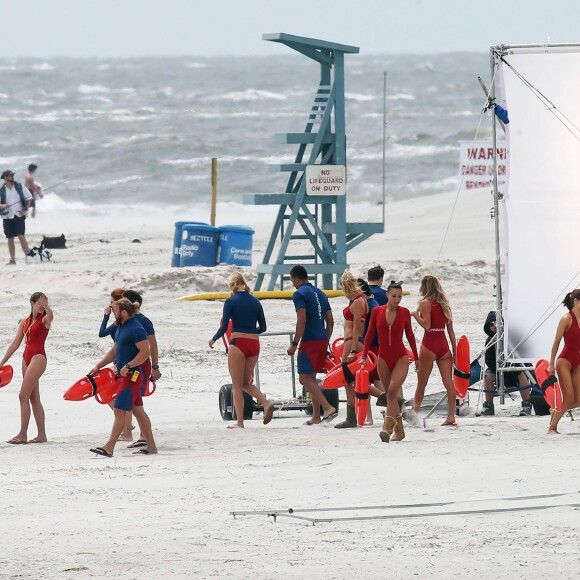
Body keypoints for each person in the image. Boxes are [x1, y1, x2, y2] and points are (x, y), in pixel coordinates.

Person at [89, 298, 157, 456]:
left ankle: (109, 447)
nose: (113, 314)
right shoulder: (121, 327)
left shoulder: (136, 328)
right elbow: (114, 351)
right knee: (138, 411)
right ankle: (151, 447)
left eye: (115, 311)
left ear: (124, 313)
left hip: (132, 377)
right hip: (125, 376)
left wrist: (128, 366)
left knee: (119, 410)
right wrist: (99, 366)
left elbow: (145, 352)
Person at [209, 272, 274, 429]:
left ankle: (240, 422)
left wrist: (214, 339)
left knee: (237, 384)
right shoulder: (256, 302)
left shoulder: (231, 301)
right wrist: (251, 333)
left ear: (232, 285)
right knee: (245, 382)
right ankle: (266, 403)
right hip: (254, 344)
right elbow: (263, 327)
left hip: (238, 342)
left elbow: (224, 326)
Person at [361, 281, 419, 442]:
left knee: (393, 391)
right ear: (387, 295)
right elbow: (369, 334)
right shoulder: (377, 312)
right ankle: (399, 431)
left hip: (401, 357)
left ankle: (387, 427)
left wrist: (417, 357)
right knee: (390, 396)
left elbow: (410, 336)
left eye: (400, 296)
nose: (397, 299)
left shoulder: (405, 312)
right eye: (394, 296)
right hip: (383, 358)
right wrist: (364, 356)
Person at [286, 265, 337, 425]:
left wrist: (294, 343)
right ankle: (316, 416)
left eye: (293, 281)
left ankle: (328, 407)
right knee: (312, 378)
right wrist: (326, 339)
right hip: (322, 337)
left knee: (304, 378)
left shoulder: (299, 294)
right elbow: (330, 321)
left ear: (296, 279)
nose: (293, 284)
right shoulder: (321, 293)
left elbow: (302, 320)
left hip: (309, 339)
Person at [0, 292, 53, 444]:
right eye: (39, 304)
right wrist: (2, 362)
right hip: (26, 358)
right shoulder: (24, 321)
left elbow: (50, 315)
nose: (42, 306)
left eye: (45, 303)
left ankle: (22, 434)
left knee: (23, 395)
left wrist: (46, 307)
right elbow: (15, 344)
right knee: (33, 397)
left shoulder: (45, 319)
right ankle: (41, 435)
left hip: (38, 357)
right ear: (32, 303)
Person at [411, 275, 457, 426]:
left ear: (424, 287)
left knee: (421, 383)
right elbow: (451, 331)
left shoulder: (425, 303)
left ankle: (415, 413)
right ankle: (451, 416)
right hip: (443, 344)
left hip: (430, 343)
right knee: (449, 382)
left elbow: (427, 326)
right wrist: (455, 351)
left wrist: (415, 315)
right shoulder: (445, 305)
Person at [122, 289, 162, 446]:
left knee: (136, 402)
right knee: (135, 402)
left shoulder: (143, 321)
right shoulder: (125, 321)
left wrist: (155, 366)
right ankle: (141, 436)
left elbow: (153, 344)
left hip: (140, 366)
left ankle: (143, 437)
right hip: (129, 366)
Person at [333, 272, 368, 429]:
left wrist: (353, 350)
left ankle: (351, 417)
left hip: (352, 342)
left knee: (347, 379)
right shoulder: (358, 300)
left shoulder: (359, 302)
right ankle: (351, 417)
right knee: (349, 380)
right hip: (351, 341)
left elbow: (357, 329)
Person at [481, 310, 532, 416]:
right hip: (498, 370)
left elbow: (525, 355)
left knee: (522, 373)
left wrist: (514, 367)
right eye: (491, 324)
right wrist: (499, 368)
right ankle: (488, 406)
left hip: (516, 367)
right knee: (487, 376)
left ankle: (526, 405)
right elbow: (488, 361)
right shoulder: (490, 341)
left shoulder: (514, 337)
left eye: (497, 323)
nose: (495, 326)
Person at [547, 289, 580, 434]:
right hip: (564, 361)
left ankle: (554, 410)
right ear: (576, 301)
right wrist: (551, 363)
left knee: (578, 400)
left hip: (578, 361)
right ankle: (552, 428)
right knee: (568, 398)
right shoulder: (567, 318)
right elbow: (556, 341)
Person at [0, 169, 32, 265]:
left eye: (12, 175)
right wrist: (3, 206)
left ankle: (28, 258)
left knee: (21, 236)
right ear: (5, 178)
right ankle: (12, 260)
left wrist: (26, 210)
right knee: (10, 238)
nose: (12, 177)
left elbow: (29, 198)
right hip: (7, 217)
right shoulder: (2, 190)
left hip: (19, 215)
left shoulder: (19, 186)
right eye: (10, 175)